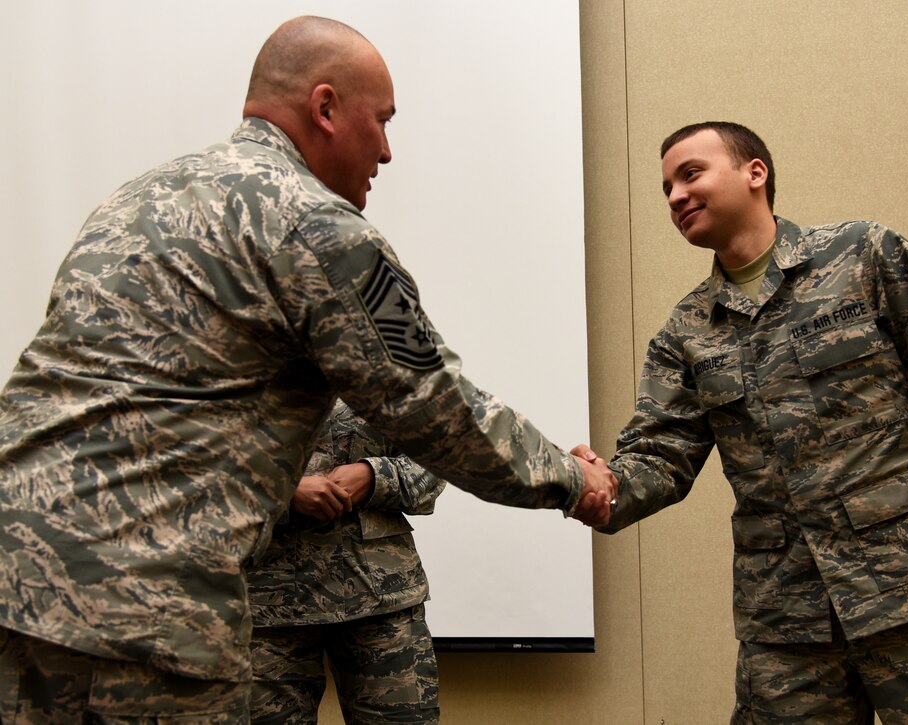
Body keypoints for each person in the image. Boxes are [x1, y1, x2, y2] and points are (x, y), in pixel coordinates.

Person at [0, 16, 614, 721]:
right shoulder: (314, 225)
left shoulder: (130, 203)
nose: (386, 150)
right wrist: (573, 480)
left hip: (17, 582)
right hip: (147, 604)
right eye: (380, 121)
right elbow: (432, 402)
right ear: (324, 108)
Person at [580, 121, 908, 723]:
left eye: (691, 174)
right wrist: (604, 488)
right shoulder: (687, 331)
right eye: (666, 189)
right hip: (788, 625)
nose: (676, 196)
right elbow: (659, 456)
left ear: (754, 172)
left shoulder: (860, 256)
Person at [247, 399, 444, 724]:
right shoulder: (236, 361)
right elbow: (196, 469)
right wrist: (282, 490)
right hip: (269, 605)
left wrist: (375, 476)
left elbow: (437, 459)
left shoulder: (384, 365)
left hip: (379, 599)